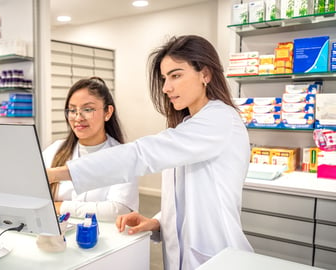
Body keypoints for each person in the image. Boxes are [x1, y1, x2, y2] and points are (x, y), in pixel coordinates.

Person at [46, 35, 253, 269]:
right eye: (165, 78)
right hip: (187, 256)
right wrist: (156, 221)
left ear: (205, 74)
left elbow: (141, 154)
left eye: (176, 75)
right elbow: (187, 198)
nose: (166, 87)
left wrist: (56, 174)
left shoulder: (220, 120)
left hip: (217, 256)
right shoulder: (189, 126)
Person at [43, 76, 139, 222]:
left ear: (107, 112)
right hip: (56, 236)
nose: (78, 117)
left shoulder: (123, 157)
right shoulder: (55, 150)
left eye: (87, 109)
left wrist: (60, 206)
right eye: (72, 110)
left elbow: (118, 210)